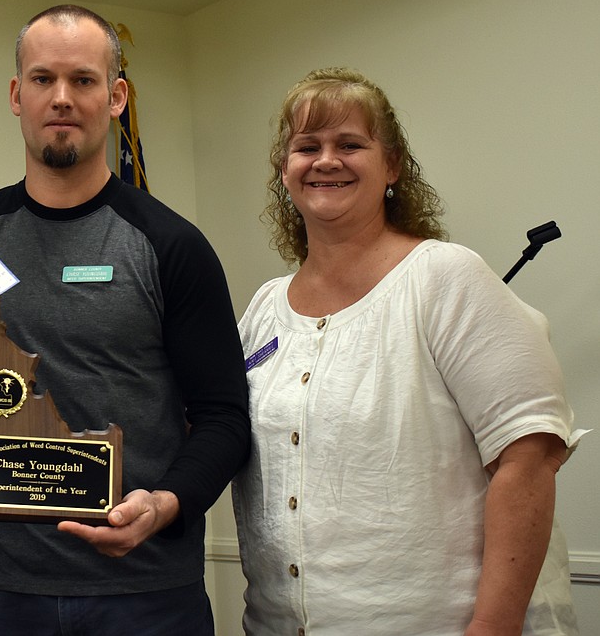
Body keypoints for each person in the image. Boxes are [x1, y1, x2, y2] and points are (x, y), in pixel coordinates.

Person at [0, 5, 250, 635]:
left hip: (148, 594)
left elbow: (224, 419)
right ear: (16, 95)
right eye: (43, 79)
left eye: (83, 80)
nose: (62, 98)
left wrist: (163, 507)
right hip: (3, 596)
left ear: (115, 97)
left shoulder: (171, 245)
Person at [232, 66, 584, 635]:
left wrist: (492, 627)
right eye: (307, 147)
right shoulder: (266, 308)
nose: (326, 161)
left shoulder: (445, 277)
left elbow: (530, 454)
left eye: (350, 144)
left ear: (392, 165)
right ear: (285, 169)